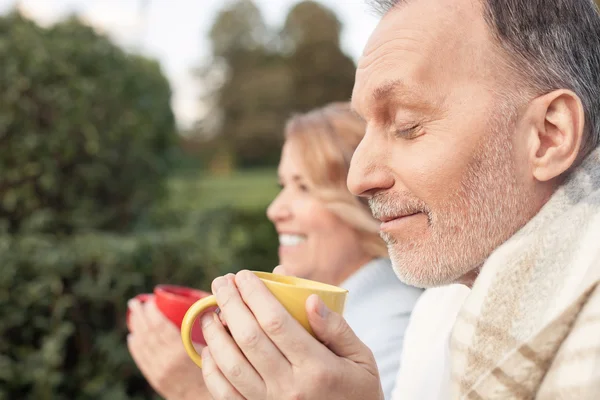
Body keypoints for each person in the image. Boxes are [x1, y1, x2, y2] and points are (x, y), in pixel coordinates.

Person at [197, 0, 600, 399]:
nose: (357, 179)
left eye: (406, 125)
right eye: (366, 127)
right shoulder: (437, 312)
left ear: (549, 135)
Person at [127, 102, 422, 400]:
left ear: (368, 203)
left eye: (304, 187)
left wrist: (195, 391)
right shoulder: (342, 309)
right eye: (283, 184)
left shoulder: (399, 326)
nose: (274, 210)